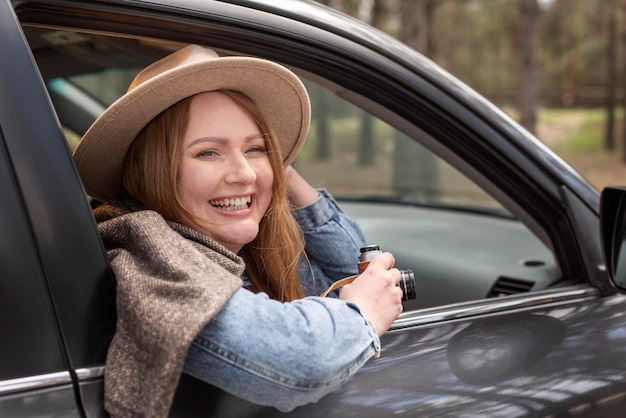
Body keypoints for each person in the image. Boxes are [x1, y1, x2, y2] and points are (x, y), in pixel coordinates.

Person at [73, 44, 403, 418]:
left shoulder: (223, 240)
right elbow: (301, 363)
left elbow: (353, 271)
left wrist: (277, 170)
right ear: (153, 169)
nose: (244, 173)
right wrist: (362, 315)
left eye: (256, 149)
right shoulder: (144, 250)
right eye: (208, 153)